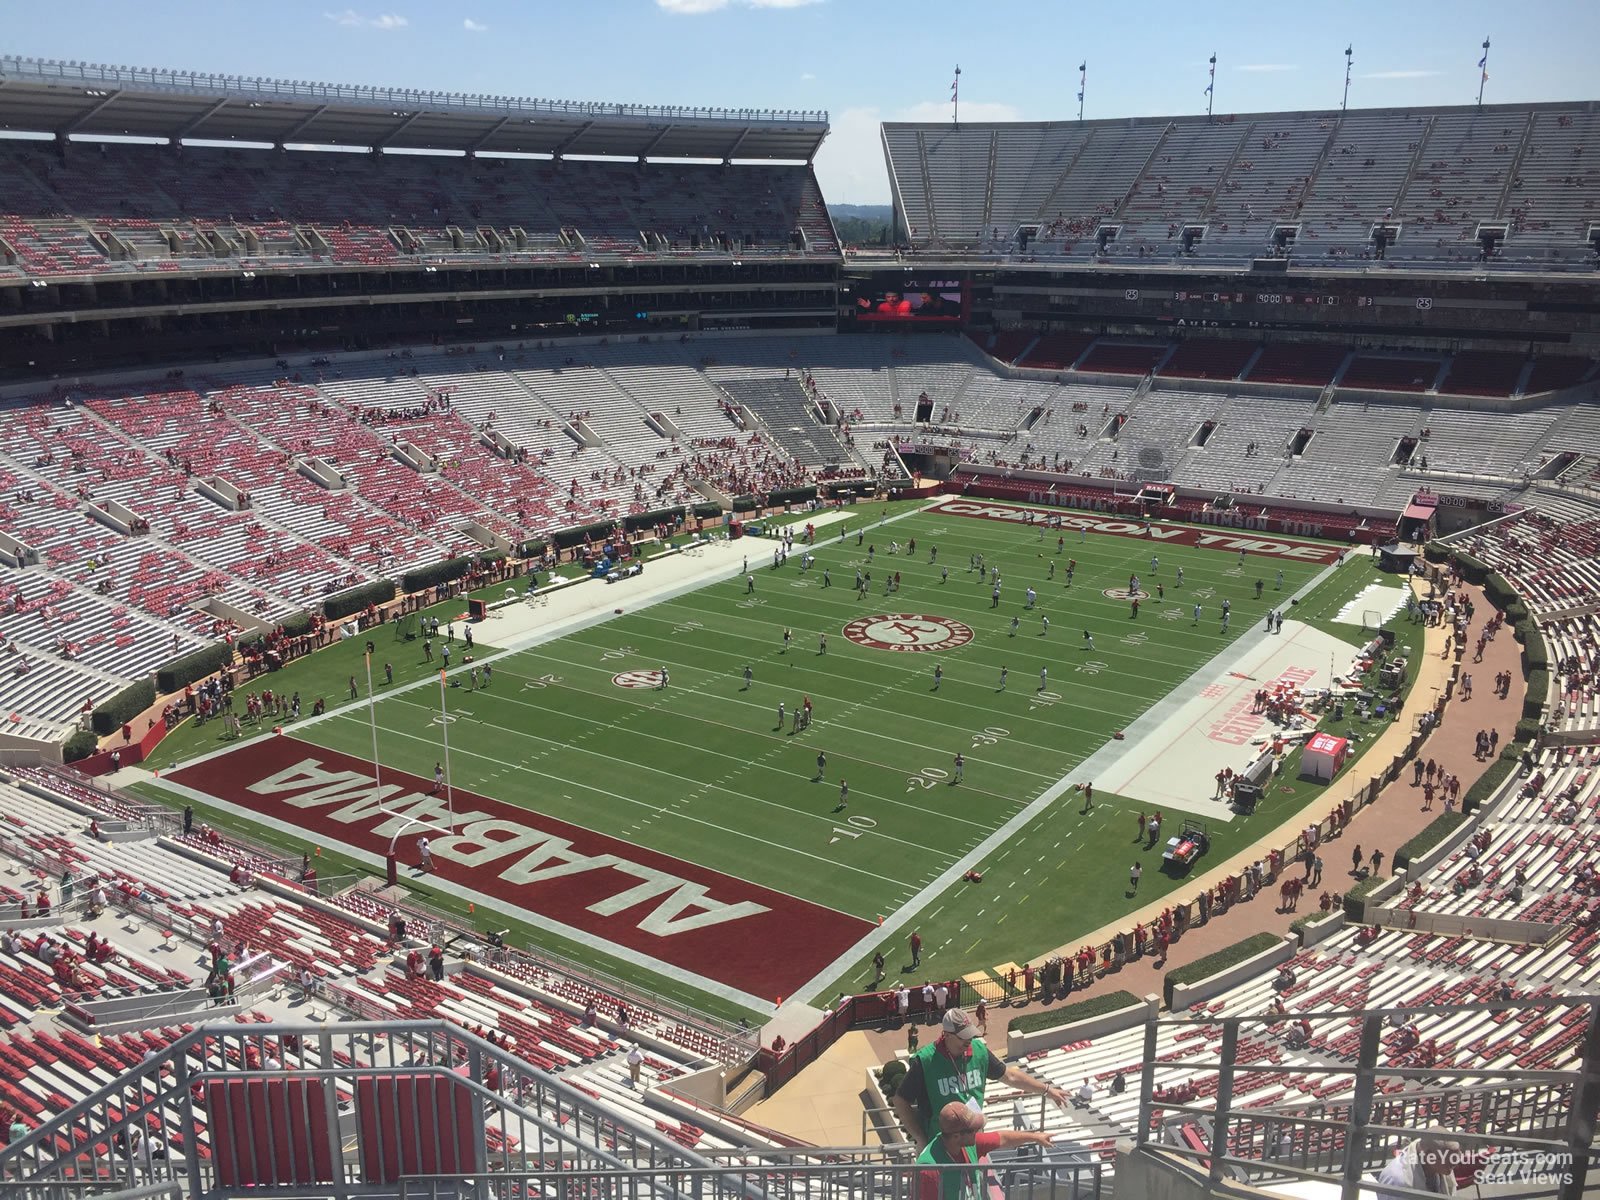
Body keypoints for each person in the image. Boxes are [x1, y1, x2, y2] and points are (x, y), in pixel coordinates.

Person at [892, 1009, 1067, 1149]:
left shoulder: (978, 1050)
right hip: (939, 1143)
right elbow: (900, 1100)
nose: (969, 1041)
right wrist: (921, 1140)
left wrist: (1047, 1090)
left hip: (973, 1137)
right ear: (947, 1035)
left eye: (971, 1035)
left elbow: (1010, 1075)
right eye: (964, 1037)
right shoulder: (926, 1060)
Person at [915, 1102, 1054, 1200]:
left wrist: (1035, 1137)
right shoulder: (929, 1169)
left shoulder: (966, 1143)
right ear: (957, 1136)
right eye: (974, 1130)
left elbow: (1002, 1138)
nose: (978, 1133)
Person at [1373, 1126, 1462, 1195]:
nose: (1455, 1162)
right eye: (1448, 1158)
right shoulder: (1397, 1180)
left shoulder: (1443, 1165)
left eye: (1456, 1156)